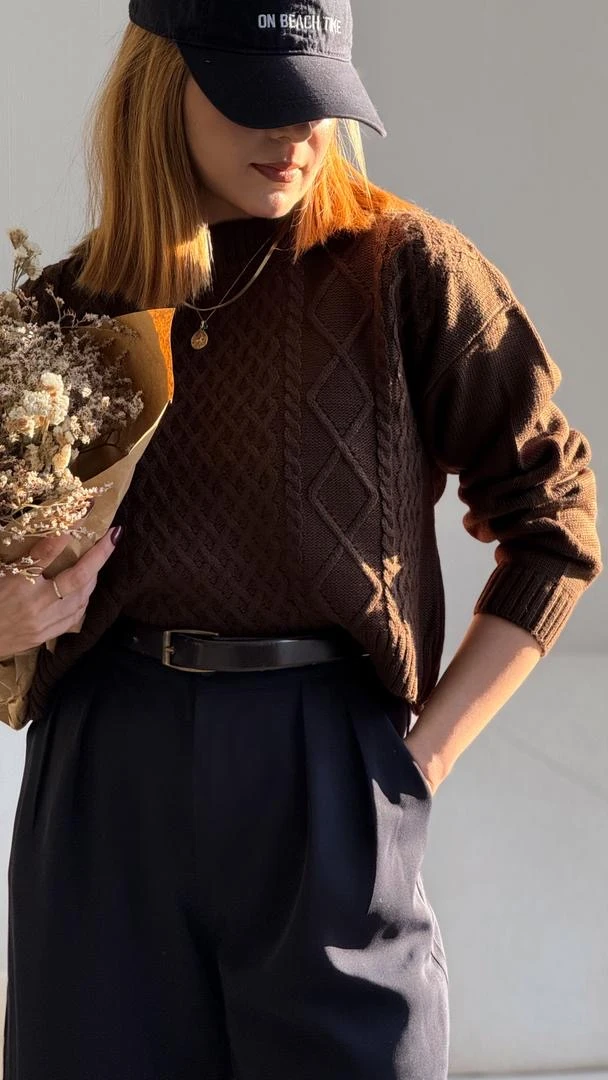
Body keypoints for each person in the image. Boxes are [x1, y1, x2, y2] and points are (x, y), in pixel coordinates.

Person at [2, 1, 602, 1077]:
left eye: (317, 101)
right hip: (105, 779)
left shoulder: (404, 269)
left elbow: (554, 520)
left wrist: (417, 764)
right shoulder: (65, 309)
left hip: (326, 767)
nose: (294, 134)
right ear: (160, 82)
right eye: (258, 99)